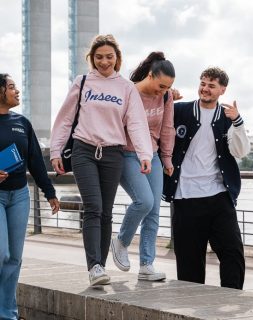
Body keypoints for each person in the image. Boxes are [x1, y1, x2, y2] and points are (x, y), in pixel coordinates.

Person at [50, 34, 153, 286]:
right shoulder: (83, 82)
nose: (104, 62)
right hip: (84, 150)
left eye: (109, 56)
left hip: (113, 153)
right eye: (99, 57)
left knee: (106, 212)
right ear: (91, 59)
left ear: (117, 58)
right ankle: (94, 266)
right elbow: (65, 119)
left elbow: (137, 124)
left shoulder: (126, 87)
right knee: (93, 207)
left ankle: (101, 268)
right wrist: (55, 151)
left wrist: (144, 154)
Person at [163, 67, 250, 289]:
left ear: (222, 90)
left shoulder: (228, 117)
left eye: (211, 85)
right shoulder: (179, 110)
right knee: (189, 262)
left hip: (219, 196)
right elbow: (153, 125)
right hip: (185, 196)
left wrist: (238, 121)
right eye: (203, 83)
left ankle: (230, 299)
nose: (205, 89)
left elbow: (240, 151)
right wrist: (165, 98)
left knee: (232, 253)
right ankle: (193, 308)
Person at [111, 52, 175, 281]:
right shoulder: (128, 92)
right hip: (127, 155)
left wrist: (167, 159)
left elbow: (167, 129)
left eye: (167, 88)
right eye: (160, 86)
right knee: (144, 201)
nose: (162, 91)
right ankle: (120, 241)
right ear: (150, 75)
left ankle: (147, 265)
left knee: (154, 211)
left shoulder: (166, 98)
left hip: (154, 156)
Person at [0, 73, 60, 320]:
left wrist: (50, 193)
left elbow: (35, 160)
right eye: (12, 87)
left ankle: (7, 314)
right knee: (1, 254)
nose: (17, 91)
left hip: (20, 195)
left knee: (14, 257)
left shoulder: (22, 122)